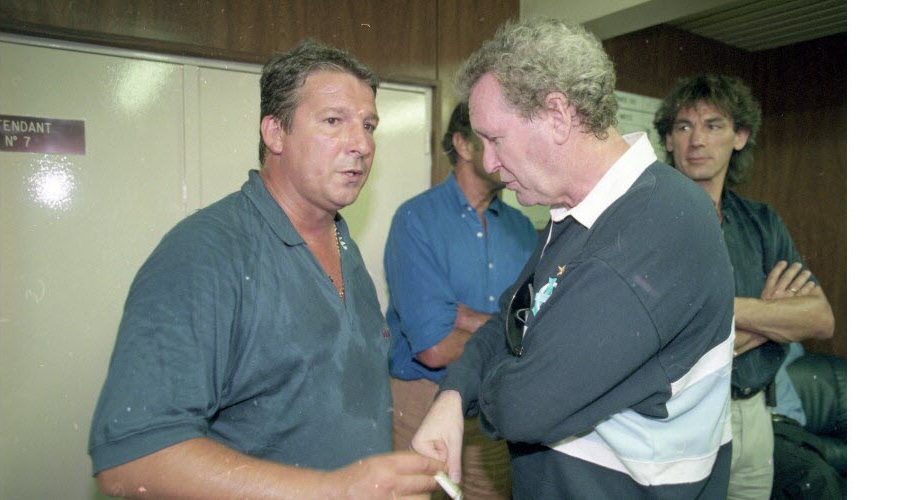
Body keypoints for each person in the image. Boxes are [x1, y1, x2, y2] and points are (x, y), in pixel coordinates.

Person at [87, 39, 443, 499]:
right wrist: (332, 491)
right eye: (333, 121)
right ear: (275, 133)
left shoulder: (342, 242)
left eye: (369, 125)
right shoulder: (204, 253)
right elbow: (131, 459)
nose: (361, 144)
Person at [411, 19, 736, 498]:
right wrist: (455, 395)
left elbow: (525, 407)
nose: (490, 163)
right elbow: (509, 321)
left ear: (557, 115)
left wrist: (496, 375)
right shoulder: (575, 213)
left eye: (496, 139)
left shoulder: (658, 224)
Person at [653, 73, 837, 499]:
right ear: (668, 140)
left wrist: (723, 316)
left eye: (713, 125)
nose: (697, 140)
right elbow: (663, 329)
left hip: (753, 414)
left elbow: (820, 319)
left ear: (740, 137)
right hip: (681, 416)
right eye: (684, 126)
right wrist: (769, 315)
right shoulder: (648, 219)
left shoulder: (760, 221)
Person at [385, 101, 538, 499]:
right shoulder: (417, 220)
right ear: (464, 145)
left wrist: (469, 318)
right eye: (497, 139)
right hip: (423, 402)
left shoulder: (523, 229)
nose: (513, 152)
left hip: (491, 408)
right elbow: (435, 349)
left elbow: (535, 329)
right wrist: (502, 328)